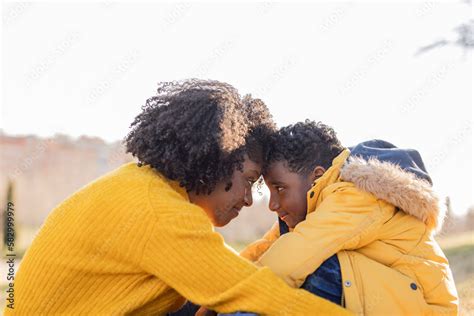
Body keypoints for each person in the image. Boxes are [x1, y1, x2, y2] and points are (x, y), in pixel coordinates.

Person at [7, 82, 348, 315]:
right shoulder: (158, 212)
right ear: (216, 161)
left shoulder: (140, 186)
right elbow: (250, 289)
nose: (248, 200)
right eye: (247, 180)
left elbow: (226, 269)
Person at [241, 120, 459, 315]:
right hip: (392, 296)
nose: (273, 204)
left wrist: (235, 298)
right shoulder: (311, 212)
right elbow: (265, 250)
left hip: (425, 307)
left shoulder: (356, 195)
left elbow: (290, 258)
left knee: (313, 266)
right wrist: (220, 287)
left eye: (280, 188)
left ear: (316, 177)